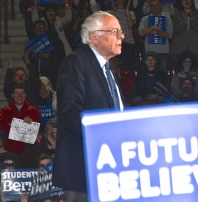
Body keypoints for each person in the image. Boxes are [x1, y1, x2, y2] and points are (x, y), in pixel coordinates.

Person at [54, 11, 125, 200]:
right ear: (94, 36)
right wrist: (105, 132)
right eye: (114, 31)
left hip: (106, 171)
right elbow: (70, 115)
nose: (122, 36)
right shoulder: (76, 63)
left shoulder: (108, 70)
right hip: (82, 171)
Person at [0, 86, 40, 155]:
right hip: (9, 149)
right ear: (12, 95)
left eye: (22, 93)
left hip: (29, 150)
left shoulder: (34, 110)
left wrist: (12, 125)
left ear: (26, 95)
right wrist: (25, 126)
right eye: (16, 93)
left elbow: (34, 132)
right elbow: (2, 126)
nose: (19, 95)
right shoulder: (4, 110)